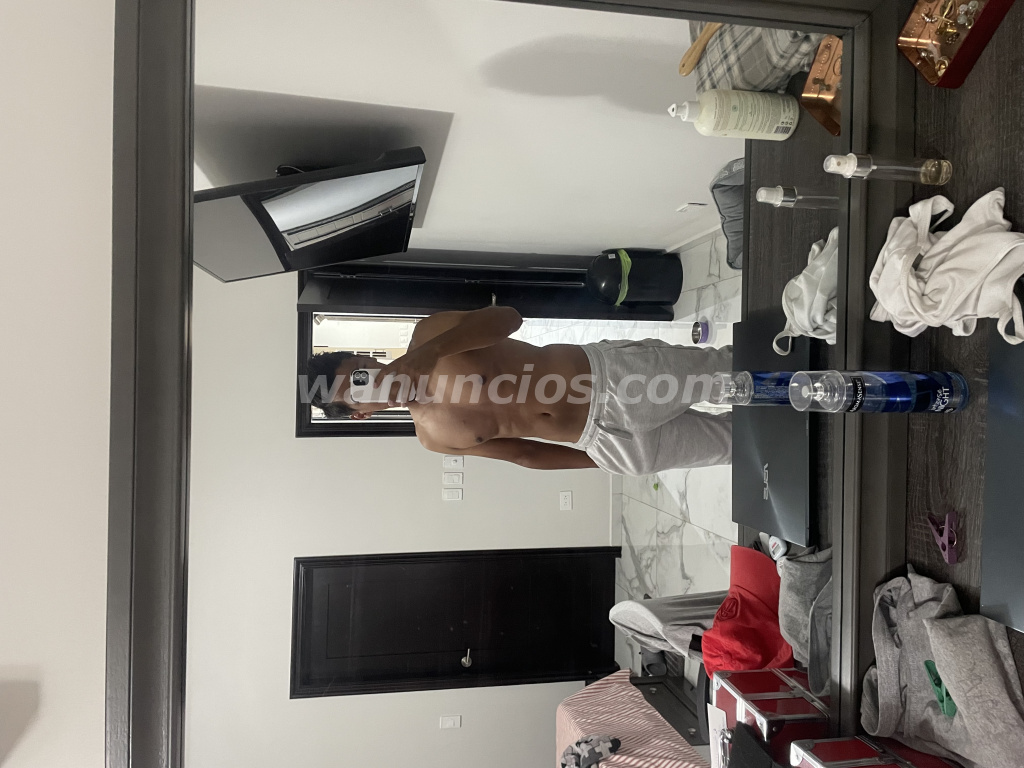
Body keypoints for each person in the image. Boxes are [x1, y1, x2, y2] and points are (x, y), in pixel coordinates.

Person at [305, 306, 732, 475]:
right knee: (733, 447)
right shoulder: (432, 437)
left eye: (359, 372)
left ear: (365, 358)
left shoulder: (428, 334)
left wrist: (432, 352)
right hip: (603, 442)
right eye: (355, 393)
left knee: (733, 374)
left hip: (613, 378)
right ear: (360, 413)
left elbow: (508, 318)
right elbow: (523, 454)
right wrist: (601, 461)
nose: (370, 383)